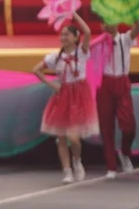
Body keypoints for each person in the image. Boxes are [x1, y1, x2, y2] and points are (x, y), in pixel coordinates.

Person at [33, 14, 95, 181]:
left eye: (67, 34)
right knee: (61, 135)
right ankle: (67, 171)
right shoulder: (55, 56)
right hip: (62, 96)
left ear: (75, 37)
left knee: (73, 137)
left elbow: (88, 32)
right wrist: (53, 84)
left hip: (78, 96)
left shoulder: (81, 52)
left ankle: (77, 161)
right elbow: (36, 70)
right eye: (62, 34)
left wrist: (74, 14)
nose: (63, 37)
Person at [94, 18, 137, 177]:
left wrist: (133, 11)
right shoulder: (98, 43)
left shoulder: (125, 39)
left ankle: (125, 152)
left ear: (117, 23)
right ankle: (111, 166)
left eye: (109, 21)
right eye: (103, 22)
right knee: (106, 126)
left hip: (122, 82)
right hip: (104, 84)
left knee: (129, 125)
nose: (106, 25)